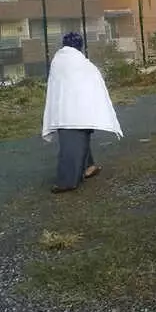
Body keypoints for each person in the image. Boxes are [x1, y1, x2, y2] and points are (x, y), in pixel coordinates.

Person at [42, 32, 123, 194]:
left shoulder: (58, 61)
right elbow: (95, 83)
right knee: (77, 141)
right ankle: (68, 181)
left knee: (73, 142)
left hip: (65, 112)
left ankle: (85, 169)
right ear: (80, 46)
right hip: (80, 111)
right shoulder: (83, 63)